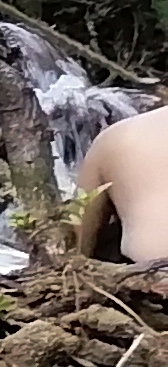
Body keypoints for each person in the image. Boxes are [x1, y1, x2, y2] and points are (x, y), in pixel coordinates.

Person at [69, 103, 168, 262]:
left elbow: (72, 252)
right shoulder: (116, 138)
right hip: (150, 276)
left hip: (146, 274)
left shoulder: (118, 137)